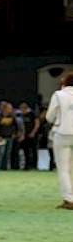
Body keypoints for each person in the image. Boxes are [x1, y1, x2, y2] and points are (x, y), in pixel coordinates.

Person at [45, 72, 73, 209]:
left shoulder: (58, 95)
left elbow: (49, 117)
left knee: (64, 169)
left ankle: (69, 199)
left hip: (62, 133)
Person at [0, 101, 19, 170]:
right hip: (1, 137)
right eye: (9, 108)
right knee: (1, 153)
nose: (11, 109)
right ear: (5, 108)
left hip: (10, 137)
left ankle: (5, 167)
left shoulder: (12, 117)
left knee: (8, 153)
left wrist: (14, 134)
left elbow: (16, 127)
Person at [18, 102, 39, 170]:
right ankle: (26, 166)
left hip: (32, 135)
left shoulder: (32, 114)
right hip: (25, 135)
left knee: (33, 150)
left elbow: (37, 123)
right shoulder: (21, 115)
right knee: (25, 151)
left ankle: (35, 166)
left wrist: (33, 132)